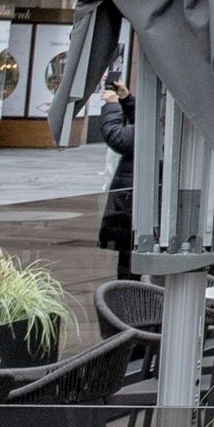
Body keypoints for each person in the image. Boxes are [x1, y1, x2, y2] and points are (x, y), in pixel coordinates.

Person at [91, 79, 136, 278]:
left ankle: (129, 303)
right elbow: (145, 124)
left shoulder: (164, 118)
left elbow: (119, 138)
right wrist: (127, 100)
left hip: (131, 205)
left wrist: (112, 106)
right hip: (133, 203)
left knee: (130, 266)